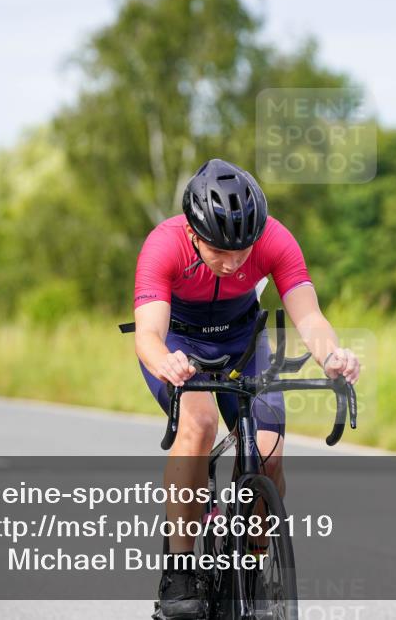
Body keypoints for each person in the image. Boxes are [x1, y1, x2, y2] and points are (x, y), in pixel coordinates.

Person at [132, 158, 361, 618]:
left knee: (270, 450)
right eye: (220, 250)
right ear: (194, 233)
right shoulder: (163, 245)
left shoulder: (275, 239)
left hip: (243, 342)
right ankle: (179, 572)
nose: (234, 261)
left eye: (243, 250)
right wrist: (166, 363)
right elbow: (147, 336)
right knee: (198, 423)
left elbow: (309, 315)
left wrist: (331, 355)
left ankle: (254, 567)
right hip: (179, 345)